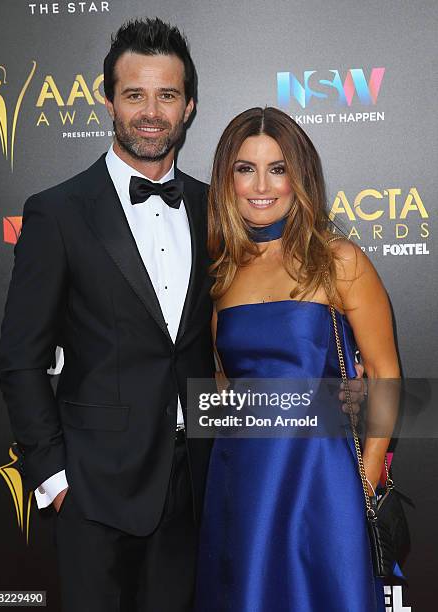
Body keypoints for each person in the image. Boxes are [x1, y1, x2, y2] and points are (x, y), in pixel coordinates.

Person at [0, 18, 215, 612]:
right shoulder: (58, 212)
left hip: (195, 486)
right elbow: (20, 360)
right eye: (134, 94)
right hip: (95, 493)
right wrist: (55, 480)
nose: (151, 111)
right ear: (107, 98)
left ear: (189, 106)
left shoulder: (212, 206)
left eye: (167, 95)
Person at [195, 107, 400, 611]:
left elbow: (384, 372)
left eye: (277, 168)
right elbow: (225, 386)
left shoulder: (339, 260)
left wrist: (366, 476)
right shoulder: (221, 273)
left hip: (322, 477)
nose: (261, 184)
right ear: (227, 179)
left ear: (299, 177)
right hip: (243, 481)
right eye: (245, 168)